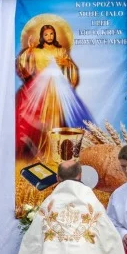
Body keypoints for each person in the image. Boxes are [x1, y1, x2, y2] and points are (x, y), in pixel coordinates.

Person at [15, 23, 92, 159]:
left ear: (54, 35)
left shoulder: (60, 50)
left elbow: (70, 69)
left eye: (51, 34)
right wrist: (30, 50)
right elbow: (23, 66)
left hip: (56, 90)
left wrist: (66, 65)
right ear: (42, 37)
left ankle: (54, 151)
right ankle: (41, 151)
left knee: (55, 119)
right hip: (40, 90)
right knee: (39, 120)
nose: (49, 37)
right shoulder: (36, 51)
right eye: (46, 34)